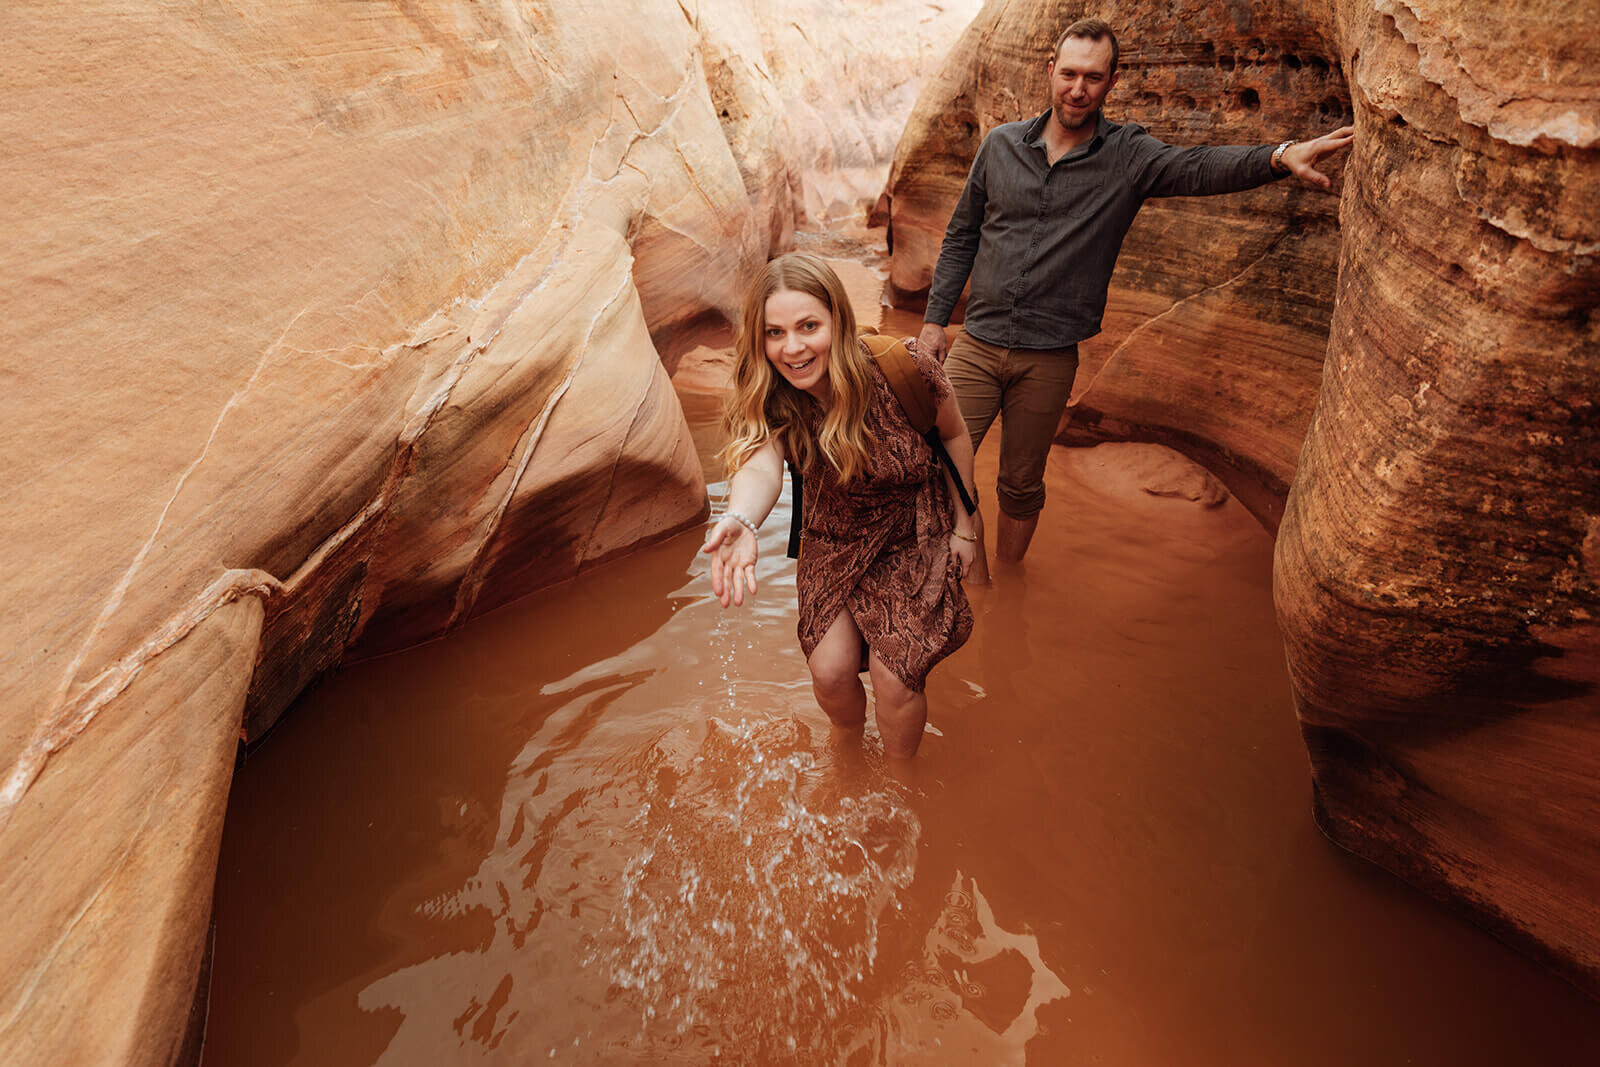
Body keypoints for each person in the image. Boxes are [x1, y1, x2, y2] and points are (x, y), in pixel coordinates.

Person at [917, 17, 1355, 581]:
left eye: (1093, 78)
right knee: (940, 467)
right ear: (1049, 72)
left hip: (1048, 358)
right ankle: (967, 577)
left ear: (1112, 82)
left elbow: (1199, 168)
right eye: (1069, 74)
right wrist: (934, 322)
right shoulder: (1000, 146)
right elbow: (961, 236)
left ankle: (1009, 579)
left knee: (1021, 484)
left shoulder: (1128, 156)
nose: (1078, 89)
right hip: (976, 344)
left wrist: (1280, 155)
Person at [702, 253, 978, 760]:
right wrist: (741, 518)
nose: (794, 348)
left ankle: (900, 782)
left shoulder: (904, 368)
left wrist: (965, 525)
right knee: (829, 673)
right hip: (832, 538)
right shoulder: (774, 395)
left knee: (896, 679)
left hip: (910, 534)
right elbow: (762, 465)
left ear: (838, 320)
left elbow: (955, 435)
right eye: (775, 333)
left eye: (809, 326)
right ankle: (847, 753)